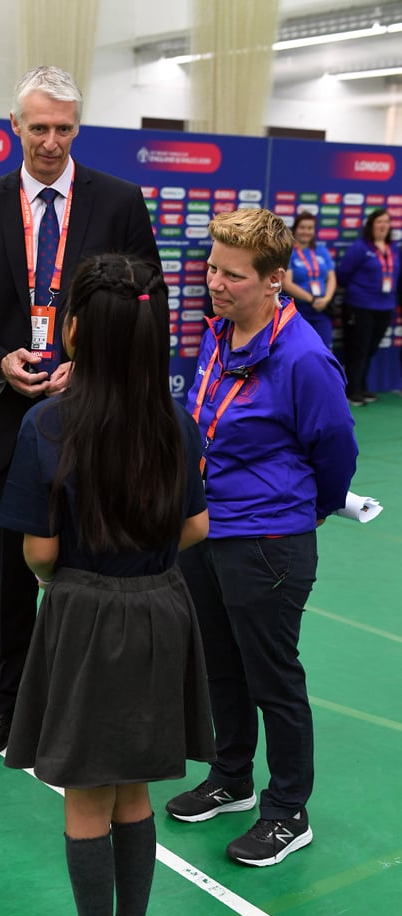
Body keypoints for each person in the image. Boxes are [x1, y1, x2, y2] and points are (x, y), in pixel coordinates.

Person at [0, 253, 215, 916]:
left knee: (86, 793)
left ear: (76, 331)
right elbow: (195, 525)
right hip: (161, 609)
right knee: (133, 794)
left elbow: (41, 551)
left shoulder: (49, 424)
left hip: (86, 615)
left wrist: (67, 585)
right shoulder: (175, 423)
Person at [0, 66, 160, 757]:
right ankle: (5, 703)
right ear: (14, 127)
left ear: (77, 128)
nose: (49, 141)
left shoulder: (120, 201)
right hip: (13, 422)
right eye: (37, 127)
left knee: (95, 571)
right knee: (13, 573)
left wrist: (92, 363)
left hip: (97, 421)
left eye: (63, 128)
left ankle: (92, 699)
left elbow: (144, 305)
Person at [165, 208, 358, 868]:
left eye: (232, 275)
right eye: (211, 267)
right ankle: (231, 778)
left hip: (268, 539)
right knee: (219, 663)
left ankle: (286, 810)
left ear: (274, 280)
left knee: (271, 677)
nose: (214, 283)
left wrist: (314, 509)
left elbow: (334, 448)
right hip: (205, 529)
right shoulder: (217, 334)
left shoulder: (303, 357)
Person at [337, 206, 400, 406]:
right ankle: (352, 389)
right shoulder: (360, 248)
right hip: (360, 306)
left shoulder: (393, 249)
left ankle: (362, 386)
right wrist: (361, 291)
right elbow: (342, 274)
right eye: (378, 222)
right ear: (371, 225)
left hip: (385, 306)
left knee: (371, 349)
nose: (383, 226)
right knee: (358, 349)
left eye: (386, 222)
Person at [282, 210, 336, 348]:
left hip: (321, 309)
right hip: (298, 309)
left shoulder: (321, 250)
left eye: (310, 228)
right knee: (299, 350)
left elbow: (331, 278)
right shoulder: (288, 251)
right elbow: (286, 283)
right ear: (295, 229)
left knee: (325, 351)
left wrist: (326, 299)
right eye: (302, 227)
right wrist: (311, 299)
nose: (306, 231)